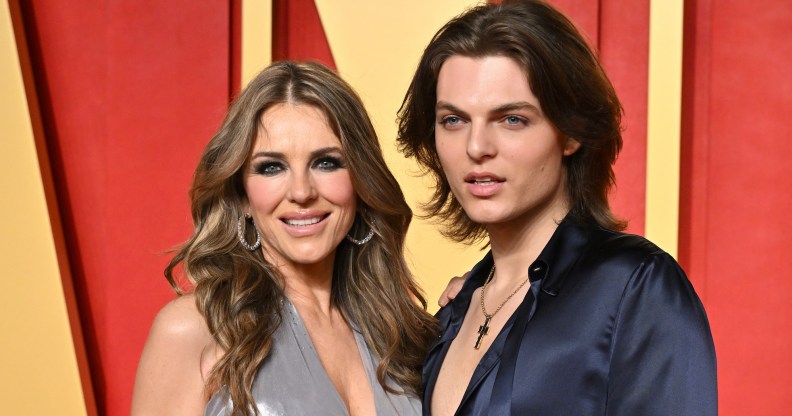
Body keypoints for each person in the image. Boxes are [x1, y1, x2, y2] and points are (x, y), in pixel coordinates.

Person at [396, 1, 717, 415]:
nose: (476, 148)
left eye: (511, 119)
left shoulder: (633, 288)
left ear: (570, 132)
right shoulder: (451, 316)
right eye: (454, 120)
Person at [131, 61, 437, 416]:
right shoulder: (193, 331)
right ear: (242, 196)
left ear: (361, 183)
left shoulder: (404, 337)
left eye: (326, 162)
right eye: (271, 167)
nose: (302, 192)